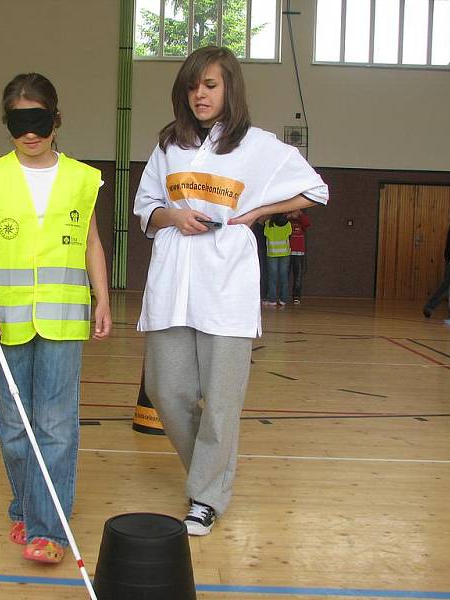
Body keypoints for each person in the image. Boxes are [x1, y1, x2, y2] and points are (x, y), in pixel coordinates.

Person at [133, 46, 328, 536]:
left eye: (211, 85)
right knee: (165, 389)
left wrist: (258, 212)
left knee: (221, 401)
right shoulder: (168, 146)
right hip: (172, 282)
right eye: (193, 85)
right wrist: (172, 215)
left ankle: (206, 496)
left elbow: (316, 189)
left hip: (227, 287)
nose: (200, 93)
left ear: (229, 89)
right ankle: (210, 472)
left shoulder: (257, 146)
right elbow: (145, 209)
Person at [0, 73, 112, 564]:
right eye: (20, 122)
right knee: (14, 426)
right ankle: (25, 503)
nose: (30, 133)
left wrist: (102, 298)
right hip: (3, 321)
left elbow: (90, 244)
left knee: (56, 424)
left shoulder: (83, 179)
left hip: (64, 320)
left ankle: (49, 528)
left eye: (38, 121)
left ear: (56, 120)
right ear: (8, 124)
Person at [263, 213, 292, 306]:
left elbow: (265, 234)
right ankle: (283, 299)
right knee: (284, 277)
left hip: (272, 253)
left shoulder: (268, 224)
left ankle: (272, 300)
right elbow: (289, 234)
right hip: (285, 253)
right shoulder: (288, 224)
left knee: (272, 278)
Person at [286, 208, 311, 303]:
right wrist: (288, 215)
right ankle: (283, 295)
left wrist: (299, 213)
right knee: (285, 276)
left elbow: (307, 223)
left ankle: (296, 296)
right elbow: (279, 221)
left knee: (298, 276)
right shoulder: (287, 220)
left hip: (299, 252)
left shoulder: (301, 221)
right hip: (286, 251)